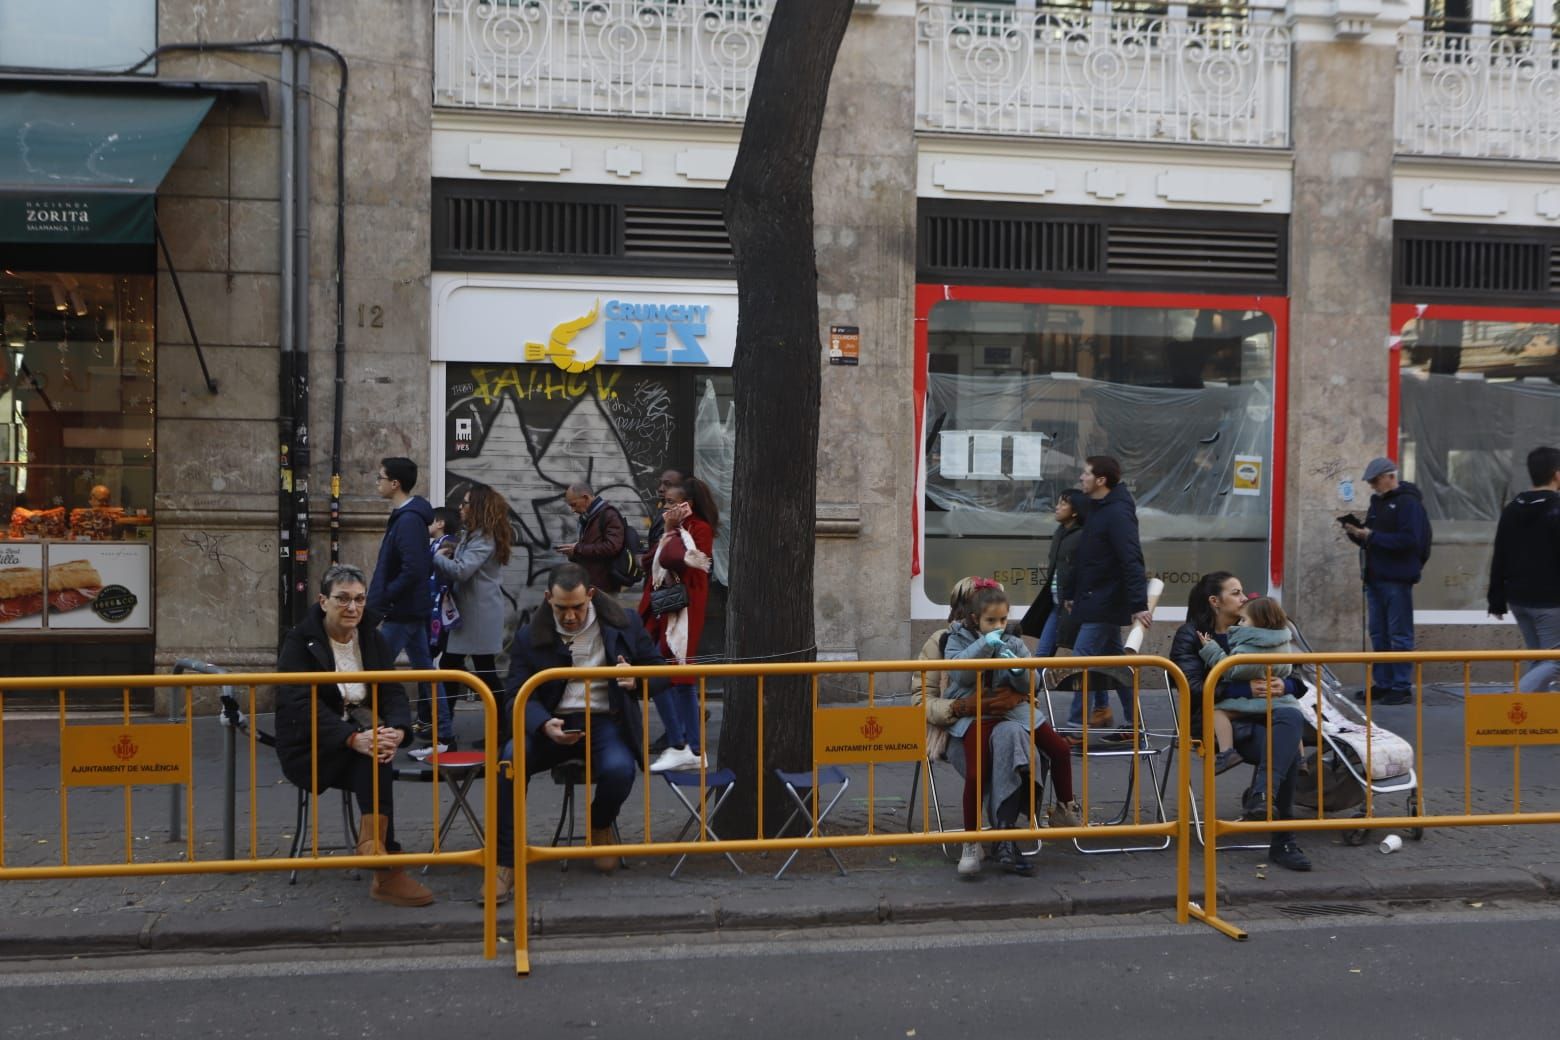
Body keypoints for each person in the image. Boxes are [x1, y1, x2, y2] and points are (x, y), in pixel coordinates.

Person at [487, 563, 666, 904]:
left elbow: (660, 670)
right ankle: (504, 862)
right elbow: (515, 696)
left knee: (619, 769)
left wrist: (638, 679)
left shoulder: (623, 622)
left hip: (604, 721)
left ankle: (600, 825)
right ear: (547, 599)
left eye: (577, 607)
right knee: (510, 761)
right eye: (561, 608)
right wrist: (542, 723)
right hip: (550, 723)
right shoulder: (529, 636)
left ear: (592, 596)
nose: (570, 616)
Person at [275, 563, 435, 907]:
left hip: (364, 735)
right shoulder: (300, 641)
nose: (353, 608)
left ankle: (377, 854)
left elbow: (391, 691)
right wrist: (350, 738)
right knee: (372, 754)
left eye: (359, 599)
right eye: (343, 599)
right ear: (323, 601)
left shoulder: (370, 636)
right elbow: (300, 703)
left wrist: (398, 730)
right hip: (313, 745)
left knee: (377, 754)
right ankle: (386, 866)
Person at [1169, 572, 1311, 872]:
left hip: (1269, 711)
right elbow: (1189, 686)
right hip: (1220, 720)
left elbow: (1297, 679)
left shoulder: (1256, 626)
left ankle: (1262, 796)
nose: (1244, 598)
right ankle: (1283, 839)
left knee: (1290, 715)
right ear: (1215, 601)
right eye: (1236, 592)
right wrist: (1242, 689)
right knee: (1281, 748)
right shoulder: (1192, 635)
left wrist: (1284, 687)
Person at [942, 583, 1080, 879]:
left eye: (1003, 620)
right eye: (991, 621)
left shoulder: (1013, 641)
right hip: (976, 714)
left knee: (1058, 749)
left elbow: (1033, 682)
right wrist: (985, 645)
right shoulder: (955, 639)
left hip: (1012, 712)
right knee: (976, 775)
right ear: (974, 618)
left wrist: (1019, 672)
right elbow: (959, 673)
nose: (998, 626)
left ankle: (1064, 808)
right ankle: (970, 841)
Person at [1060, 455, 1152, 737]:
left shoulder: (1117, 513)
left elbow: (1131, 559)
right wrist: (1073, 591)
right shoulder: (1098, 508)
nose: (1081, 478)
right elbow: (1086, 555)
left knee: (1081, 659)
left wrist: (1139, 605)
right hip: (1095, 598)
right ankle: (1135, 724)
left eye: (1085, 474)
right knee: (1116, 664)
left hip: (1106, 600)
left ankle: (1075, 726)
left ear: (1101, 480)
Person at [425, 483, 512, 757]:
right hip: (470, 614)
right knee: (464, 670)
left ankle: (496, 731)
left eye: (465, 503)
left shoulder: (484, 538)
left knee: (481, 674)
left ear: (478, 508)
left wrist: (436, 556)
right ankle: (451, 730)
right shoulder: (474, 536)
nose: (460, 508)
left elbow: (463, 571)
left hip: (478, 615)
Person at [641, 477, 717, 774]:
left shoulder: (699, 529)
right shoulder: (674, 529)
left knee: (670, 675)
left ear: (688, 505)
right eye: (665, 503)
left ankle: (684, 745)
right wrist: (669, 531)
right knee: (671, 676)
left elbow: (676, 558)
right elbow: (650, 560)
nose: (666, 508)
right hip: (664, 610)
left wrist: (671, 530)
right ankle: (689, 747)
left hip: (683, 612)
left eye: (671, 503)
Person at [367, 457, 444, 739]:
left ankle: (375, 728)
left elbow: (414, 568)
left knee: (373, 669)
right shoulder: (407, 518)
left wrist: (387, 596)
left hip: (403, 610)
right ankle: (444, 735)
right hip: (407, 608)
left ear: (395, 483)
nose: (378, 482)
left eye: (380, 477)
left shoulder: (409, 521)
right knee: (428, 674)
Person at [1343, 457, 1431, 706]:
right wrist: (1357, 534)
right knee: (1379, 633)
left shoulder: (1408, 503)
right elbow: (1373, 539)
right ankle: (1383, 683)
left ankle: (1401, 686)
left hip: (1397, 578)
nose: (1372, 486)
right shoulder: (1377, 503)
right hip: (1375, 576)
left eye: (1375, 481)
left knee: (1399, 634)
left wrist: (1372, 536)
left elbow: (1410, 541)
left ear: (1390, 477)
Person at [1195, 595, 1300, 775]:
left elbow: (1231, 670)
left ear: (1258, 622)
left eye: (1244, 619)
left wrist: (1211, 650)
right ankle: (1300, 758)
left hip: (1251, 703)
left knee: (1218, 713)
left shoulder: (1249, 644)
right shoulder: (1284, 641)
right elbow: (1289, 670)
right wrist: (1285, 685)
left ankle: (1227, 752)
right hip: (1279, 701)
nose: (1240, 623)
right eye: (1235, 593)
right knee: (1293, 718)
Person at [1487, 445, 1560, 692]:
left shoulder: (1512, 508)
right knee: (1554, 661)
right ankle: (1513, 701)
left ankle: (1529, 720)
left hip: (1519, 599)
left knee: (1540, 659)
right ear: (1556, 474)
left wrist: (1496, 598)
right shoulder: (1556, 509)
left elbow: (1500, 554)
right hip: (1550, 601)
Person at [557, 482, 627, 594]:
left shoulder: (608, 514)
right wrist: (574, 553)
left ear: (585, 497)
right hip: (592, 584)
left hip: (604, 588)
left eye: (574, 505)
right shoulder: (591, 517)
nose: (572, 510)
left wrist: (578, 549)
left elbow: (612, 547)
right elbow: (592, 548)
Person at [645, 467, 689, 553]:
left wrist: (644, 560)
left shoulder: (687, 520)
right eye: (660, 483)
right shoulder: (664, 510)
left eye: (668, 484)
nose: (660, 489)